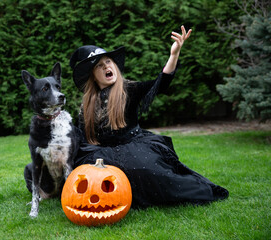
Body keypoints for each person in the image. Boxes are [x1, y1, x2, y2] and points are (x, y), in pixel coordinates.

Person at [69, 26, 229, 208]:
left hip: (134, 147)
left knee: (144, 170)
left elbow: (159, 84)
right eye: (99, 65)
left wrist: (174, 55)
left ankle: (194, 191)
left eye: (108, 62)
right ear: (93, 76)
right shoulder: (87, 105)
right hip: (103, 154)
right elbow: (81, 135)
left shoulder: (128, 90)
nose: (107, 66)